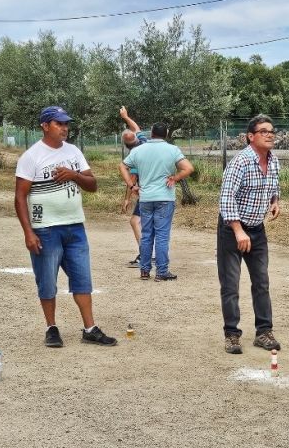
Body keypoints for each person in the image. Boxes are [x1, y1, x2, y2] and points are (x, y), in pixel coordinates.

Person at [14, 105, 116, 348]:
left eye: (66, 124)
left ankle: (90, 328)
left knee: (82, 279)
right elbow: (19, 197)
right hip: (46, 229)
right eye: (59, 124)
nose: (65, 128)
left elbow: (92, 185)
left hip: (75, 228)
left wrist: (74, 175)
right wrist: (29, 232)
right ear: (45, 126)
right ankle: (51, 328)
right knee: (47, 281)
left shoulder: (73, 152)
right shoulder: (31, 156)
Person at [217, 114, 281, 354]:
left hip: (257, 229)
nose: (270, 134)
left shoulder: (274, 161)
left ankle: (264, 332)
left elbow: (274, 186)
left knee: (261, 282)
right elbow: (226, 198)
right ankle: (232, 335)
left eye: (271, 131)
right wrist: (237, 230)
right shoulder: (240, 162)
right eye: (263, 131)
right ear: (250, 137)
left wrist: (275, 201)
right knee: (230, 285)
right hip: (232, 230)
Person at [119, 122, 194, 281]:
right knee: (162, 235)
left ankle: (144, 270)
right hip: (165, 198)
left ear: (151, 133)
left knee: (146, 234)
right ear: (166, 134)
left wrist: (132, 186)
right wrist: (175, 178)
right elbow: (188, 168)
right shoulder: (172, 150)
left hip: (145, 198)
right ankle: (161, 272)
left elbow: (123, 166)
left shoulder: (139, 150)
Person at [119, 106, 149, 267]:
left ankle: (145, 255)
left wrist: (127, 198)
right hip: (161, 189)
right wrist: (126, 116)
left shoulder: (135, 155)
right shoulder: (144, 141)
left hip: (146, 192)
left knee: (135, 221)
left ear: (125, 145)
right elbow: (136, 128)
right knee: (149, 223)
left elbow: (132, 178)